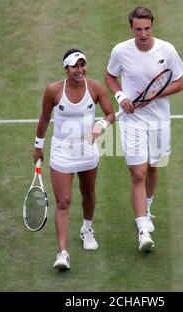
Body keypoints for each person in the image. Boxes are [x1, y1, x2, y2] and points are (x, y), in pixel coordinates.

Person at [104, 7, 183, 252]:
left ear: (152, 27)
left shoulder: (167, 50)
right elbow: (110, 76)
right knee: (138, 172)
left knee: (153, 168)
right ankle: (142, 228)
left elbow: (179, 83)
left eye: (147, 28)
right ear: (131, 28)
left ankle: (147, 207)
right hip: (133, 121)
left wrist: (155, 94)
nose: (143, 33)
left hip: (159, 121)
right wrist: (120, 97)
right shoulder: (121, 51)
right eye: (138, 29)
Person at [34, 49, 115, 270]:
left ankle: (86, 229)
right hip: (62, 151)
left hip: (87, 149)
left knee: (88, 192)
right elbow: (44, 119)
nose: (80, 70)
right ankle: (62, 253)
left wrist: (101, 125)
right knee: (63, 201)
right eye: (75, 66)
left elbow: (110, 114)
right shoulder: (53, 91)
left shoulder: (96, 87)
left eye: (83, 65)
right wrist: (38, 147)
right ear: (66, 69)